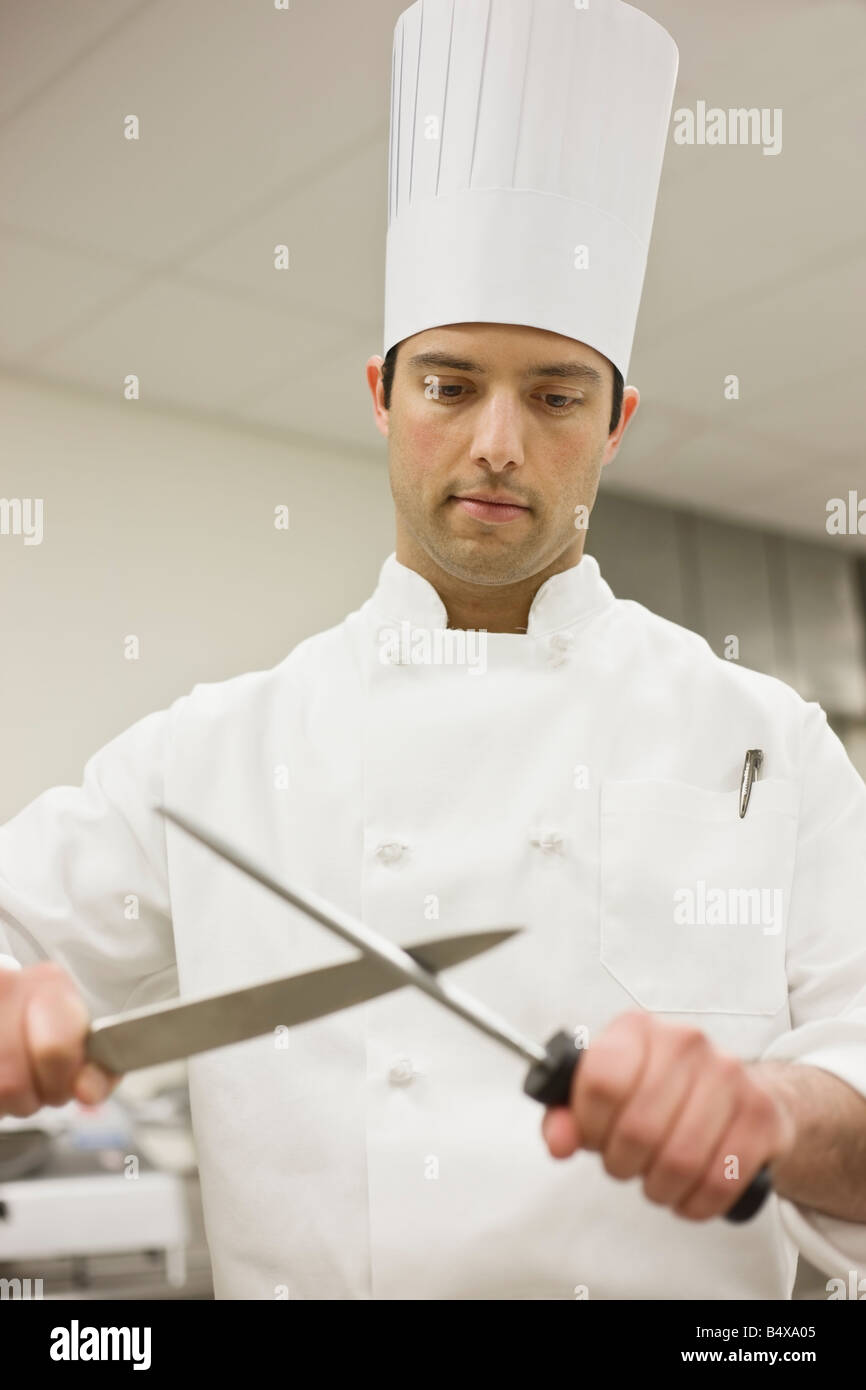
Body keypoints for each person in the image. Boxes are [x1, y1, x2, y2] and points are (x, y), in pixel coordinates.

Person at [2, 0, 865, 1300]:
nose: (497, 446)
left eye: (556, 395)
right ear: (381, 395)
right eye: (451, 384)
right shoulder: (213, 751)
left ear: (618, 419)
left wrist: (771, 1112)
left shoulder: (764, 737)